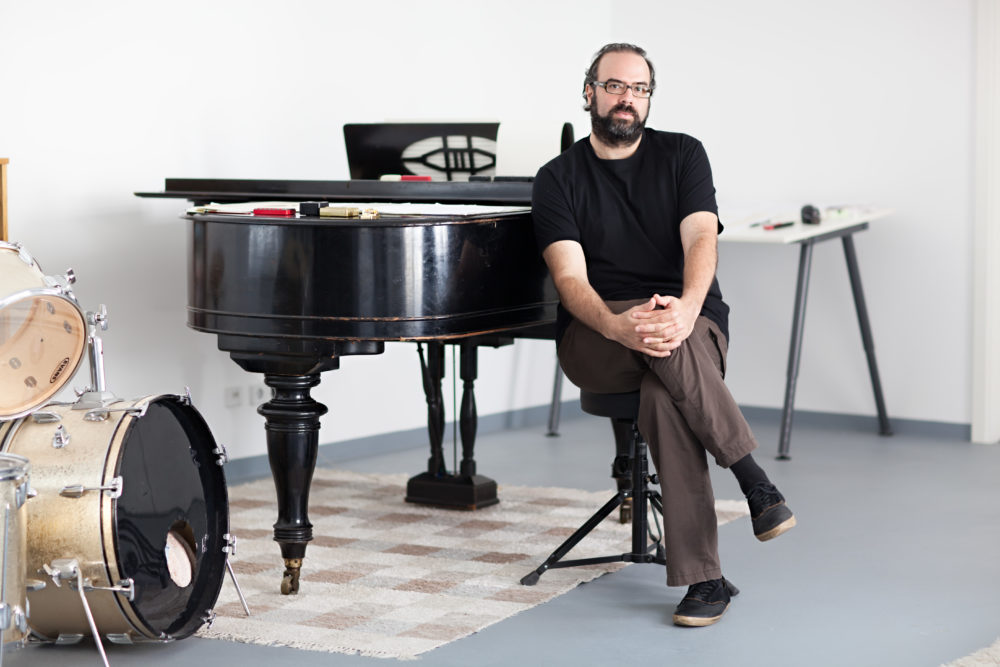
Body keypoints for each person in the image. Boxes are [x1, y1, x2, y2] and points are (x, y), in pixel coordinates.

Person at [531, 43, 796, 627]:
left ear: (649, 97)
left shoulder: (683, 155)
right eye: (615, 86)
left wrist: (685, 308)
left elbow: (702, 239)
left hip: (689, 322)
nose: (627, 99)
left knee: (663, 387)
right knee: (661, 349)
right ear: (589, 91)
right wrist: (619, 325)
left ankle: (705, 580)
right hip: (597, 335)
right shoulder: (557, 178)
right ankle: (755, 484)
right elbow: (570, 278)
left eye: (639, 89)